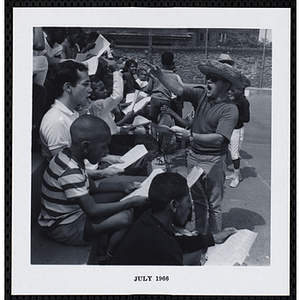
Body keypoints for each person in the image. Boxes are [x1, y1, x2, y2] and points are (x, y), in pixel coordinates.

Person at [149, 60, 250, 235]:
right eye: (208, 78)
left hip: (214, 161)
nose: (208, 81)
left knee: (214, 204)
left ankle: (214, 238)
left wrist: (191, 136)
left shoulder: (230, 109)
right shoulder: (201, 95)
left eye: (213, 79)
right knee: (198, 201)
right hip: (194, 157)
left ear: (226, 85)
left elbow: (219, 139)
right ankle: (200, 236)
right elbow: (179, 89)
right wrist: (161, 76)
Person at [38, 115, 148, 262]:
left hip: (72, 212)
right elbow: (93, 211)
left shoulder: (70, 157)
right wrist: (131, 202)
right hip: (64, 227)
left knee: (123, 193)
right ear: (86, 146)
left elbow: (93, 186)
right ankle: (108, 256)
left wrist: (123, 186)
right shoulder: (70, 172)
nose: (106, 152)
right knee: (125, 218)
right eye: (104, 147)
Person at [112, 172, 237, 265]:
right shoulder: (168, 250)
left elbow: (177, 241)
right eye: (188, 201)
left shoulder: (149, 218)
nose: (190, 206)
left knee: (196, 252)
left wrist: (213, 238)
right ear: (174, 205)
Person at [144, 51, 183, 124]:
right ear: (172, 62)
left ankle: (153, 134)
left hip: (155, 98)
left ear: (161, 61)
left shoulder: (155, 73)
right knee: (165, 121)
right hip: (166, 99)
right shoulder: (175, 77)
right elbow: (179, 91)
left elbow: (148, 88)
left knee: (153, 120)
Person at [226, 86, 250, 188]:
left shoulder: (243, 102)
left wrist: (233, 117)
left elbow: (246, 118)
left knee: (234, 154)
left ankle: (236, 178)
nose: (230, 92)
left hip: (237, 130)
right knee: (232, 150)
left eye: (233, 90)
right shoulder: (234, 100)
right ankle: (236, 174)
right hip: (231, 128)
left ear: (240, 91)